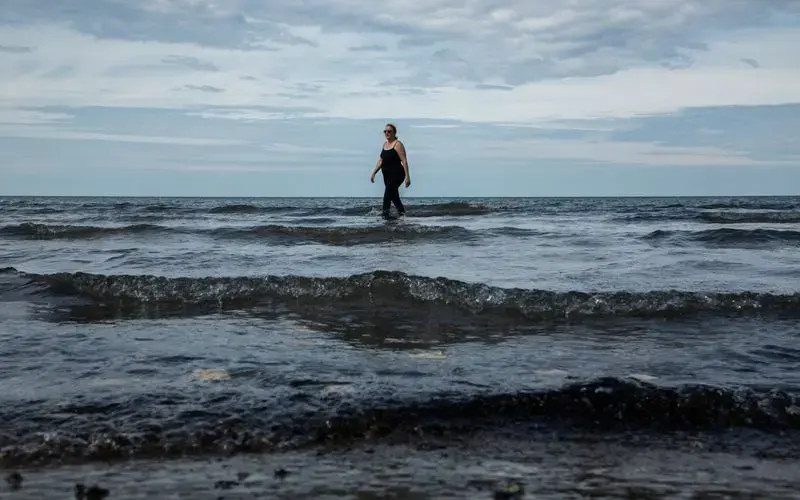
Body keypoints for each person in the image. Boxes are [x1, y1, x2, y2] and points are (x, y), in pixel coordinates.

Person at [370, 123, 410, 218]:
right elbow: (381, 160)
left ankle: (385, 217)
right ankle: (402, 215)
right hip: (387, 176)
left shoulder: (398, 144)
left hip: (397, 175)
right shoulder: (385, 144)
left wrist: (407, 177)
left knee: (387, 196)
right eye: (385, 131)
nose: (387, 133)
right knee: (394, 197)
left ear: (394, 133)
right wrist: (374, 173)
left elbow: (404, 161)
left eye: (389, 131)